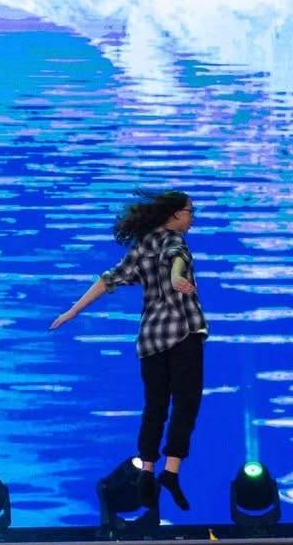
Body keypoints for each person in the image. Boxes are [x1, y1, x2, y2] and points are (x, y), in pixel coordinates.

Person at [50, 190, 207, 510]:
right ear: (175, 214)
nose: (193, 218)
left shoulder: (143, 246)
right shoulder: (175, 241)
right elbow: (176, 257)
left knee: (155, 406)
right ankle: (170, 471)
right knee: (186, 402)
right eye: (190, 211)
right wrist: (176, 277)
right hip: (181, 333)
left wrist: (73, 310)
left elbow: (109, 279)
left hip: (150, 338)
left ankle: (147, 470)